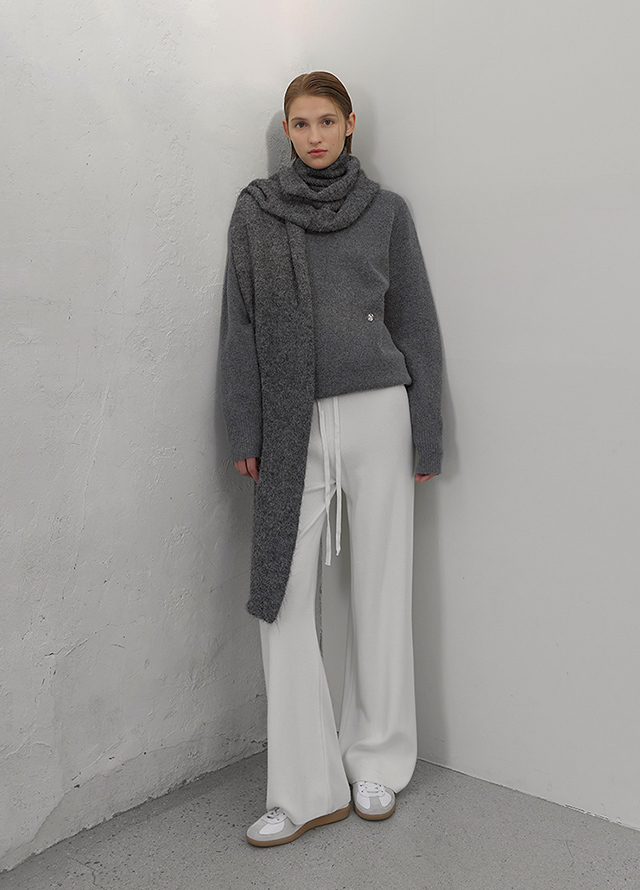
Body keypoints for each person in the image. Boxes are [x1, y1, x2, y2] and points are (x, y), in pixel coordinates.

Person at [219, 71, 443, 847]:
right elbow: (239, 325)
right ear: (286, 130)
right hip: (292, 421)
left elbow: (415, 321)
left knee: (382, 587)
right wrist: (244, 428)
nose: (313, 136)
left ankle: (376, 760)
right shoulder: (257, 211)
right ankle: (303, 788)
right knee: (280, 595)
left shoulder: (387, 211)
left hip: (380, 410)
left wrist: (426, 432)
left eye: (325, 121)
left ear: (350, 125)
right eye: (300, 123)